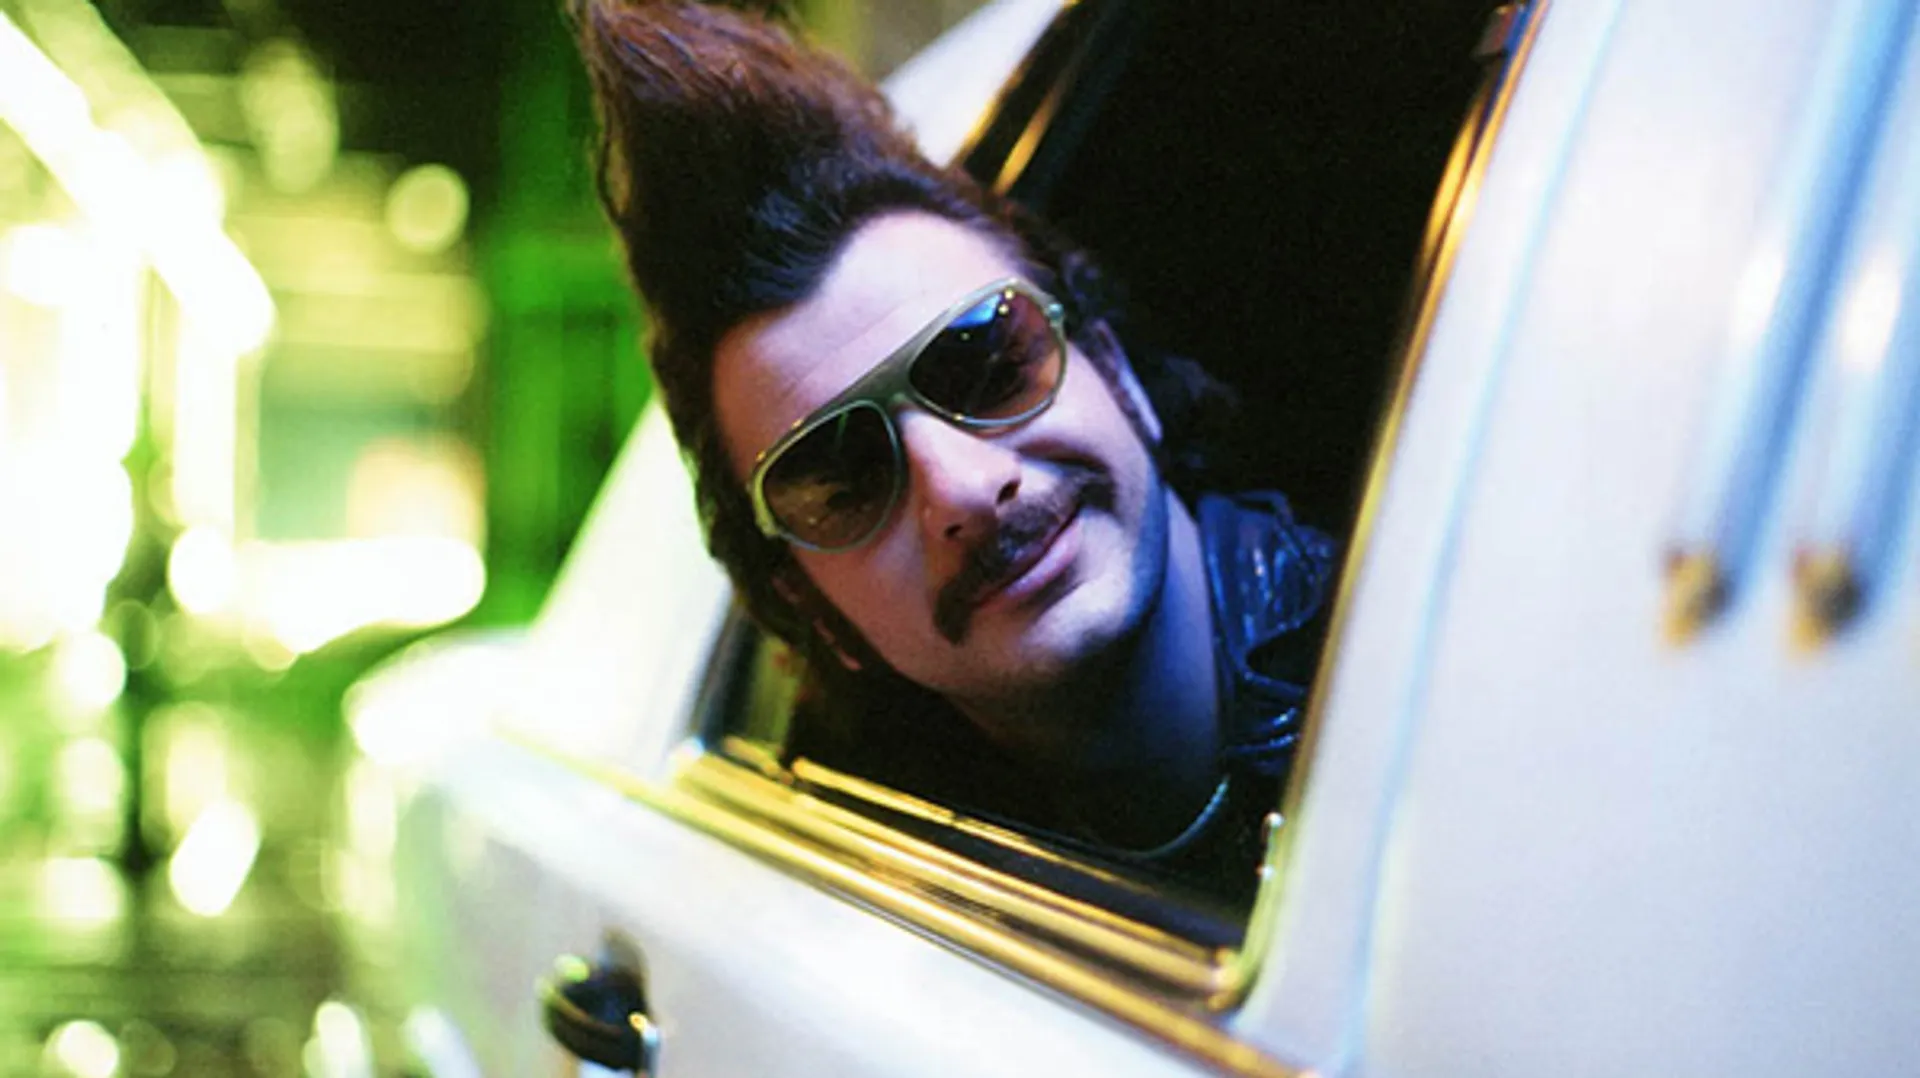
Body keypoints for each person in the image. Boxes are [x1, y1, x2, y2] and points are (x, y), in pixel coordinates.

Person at [572, 0, 1334, 897]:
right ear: (817, 612)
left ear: (1118, 377)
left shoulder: (1420, 677)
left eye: (986, 364)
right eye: (843, 479)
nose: (963, 490)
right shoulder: (870, 858)